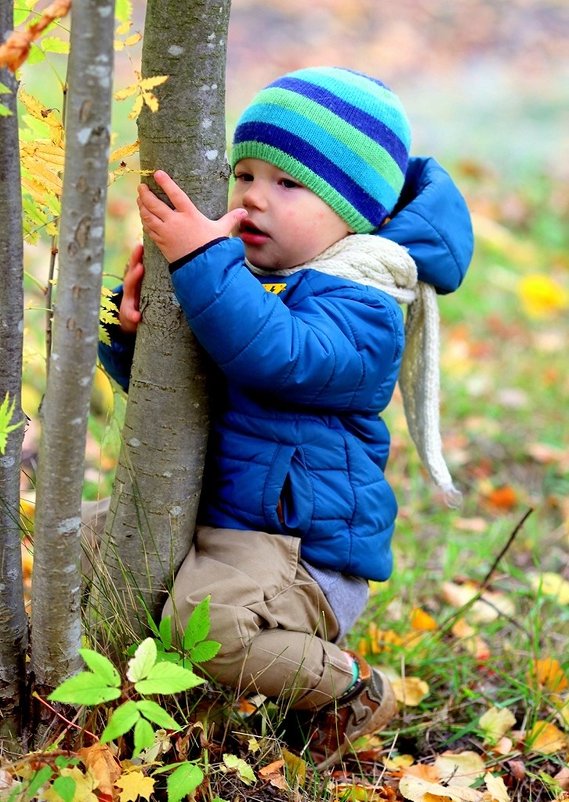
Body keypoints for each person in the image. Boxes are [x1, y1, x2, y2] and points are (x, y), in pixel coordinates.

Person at [99, 66, 473, 768]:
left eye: (288, 184)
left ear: (354, 211)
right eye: (243, 174)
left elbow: (280, 356)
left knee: (200, 629)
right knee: (98, 543)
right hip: (232, 526)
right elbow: (179, 393)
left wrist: (203, 259)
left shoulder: (365, 301)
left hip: (301, 551)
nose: (251, 200)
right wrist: (131, 332)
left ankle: (348, 690)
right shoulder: (243, 281)